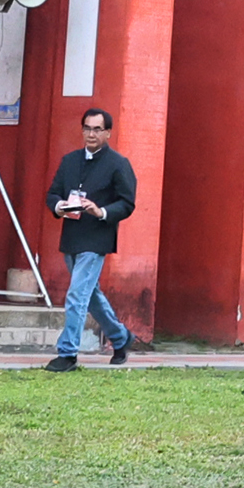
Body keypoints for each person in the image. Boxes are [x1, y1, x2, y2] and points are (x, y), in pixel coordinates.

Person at [44, 107, 138, 370]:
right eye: (87, 128)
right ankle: (121, 337)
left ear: (108, 132)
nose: (91, 134)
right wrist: (58, 206)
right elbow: (52, 194)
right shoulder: (70, 161)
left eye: (97, 129)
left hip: (97, 238)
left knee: (76, 294)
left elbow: (127, 203)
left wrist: (102, 211)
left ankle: (68, 353)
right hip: (72, 236)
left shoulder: (118, 164)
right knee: (90, 294)